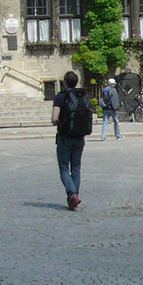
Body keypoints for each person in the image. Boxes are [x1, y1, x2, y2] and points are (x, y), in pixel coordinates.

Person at [51, 71, 90, 210]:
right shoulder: (82, 96)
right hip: (80, 136)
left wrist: (61, 123)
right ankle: (73, 199)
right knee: (76, 168)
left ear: (65, 82)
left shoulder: (61, 97)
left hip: (65, 136)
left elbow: (54, 118)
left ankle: (72, 195)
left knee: (63, 168)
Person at [99, 77, 122, 141]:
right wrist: (116, 108)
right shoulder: (113, 90)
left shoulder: (104, 90)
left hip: (105, 108)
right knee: (116, 122)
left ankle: (103, 137)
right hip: (112, 109)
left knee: (105, 122)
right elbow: (114, 100)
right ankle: (118, 135)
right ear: (112, 84)